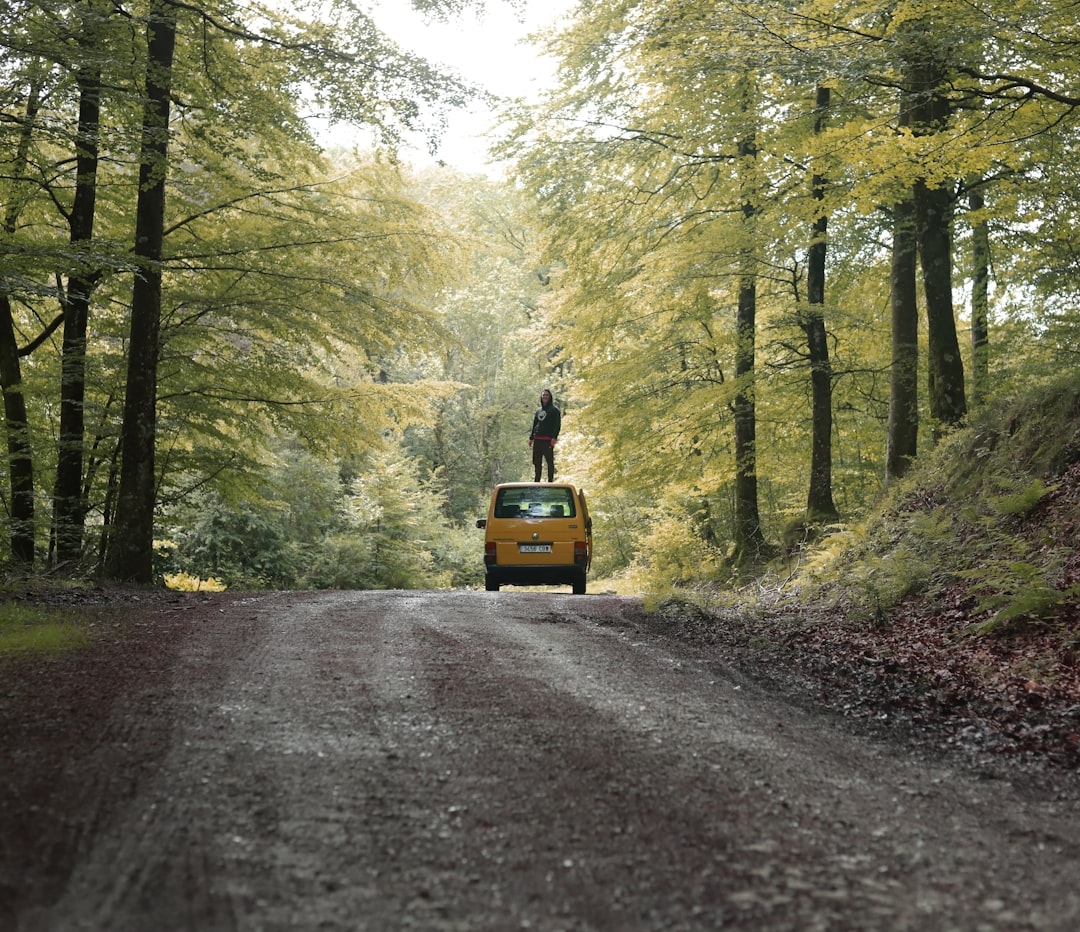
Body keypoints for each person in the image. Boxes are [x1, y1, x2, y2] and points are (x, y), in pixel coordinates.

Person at [527, 389, 561, 482]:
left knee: (549, 461)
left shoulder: (555, 410)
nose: (545, 397)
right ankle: (537, 481)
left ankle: (550, 481)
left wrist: (554, 437)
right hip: (537, 439)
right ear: (541, 397)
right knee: (537, 462)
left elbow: (557, 425)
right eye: (543, 395)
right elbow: (535, 424)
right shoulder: (538, 410)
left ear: (549, 397)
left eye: (546, 395)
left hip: (548, 440)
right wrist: (531, 438)